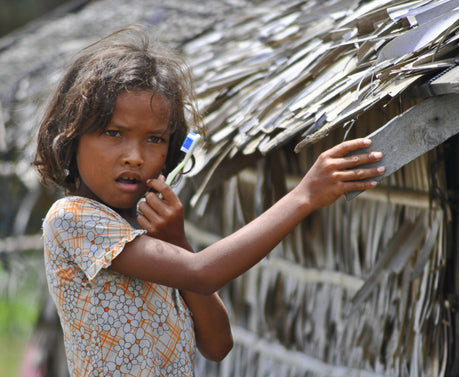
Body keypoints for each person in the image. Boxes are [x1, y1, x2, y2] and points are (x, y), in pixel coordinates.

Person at [33, 27, 385, 377]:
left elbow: (218, 344)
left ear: (172, 151)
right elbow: (200, 272)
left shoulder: (142, 233)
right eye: (114, 133)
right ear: (72, 135)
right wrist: (303, 197)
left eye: (155, 139)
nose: (135, 157)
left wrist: (177, 242)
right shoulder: (73, 218)